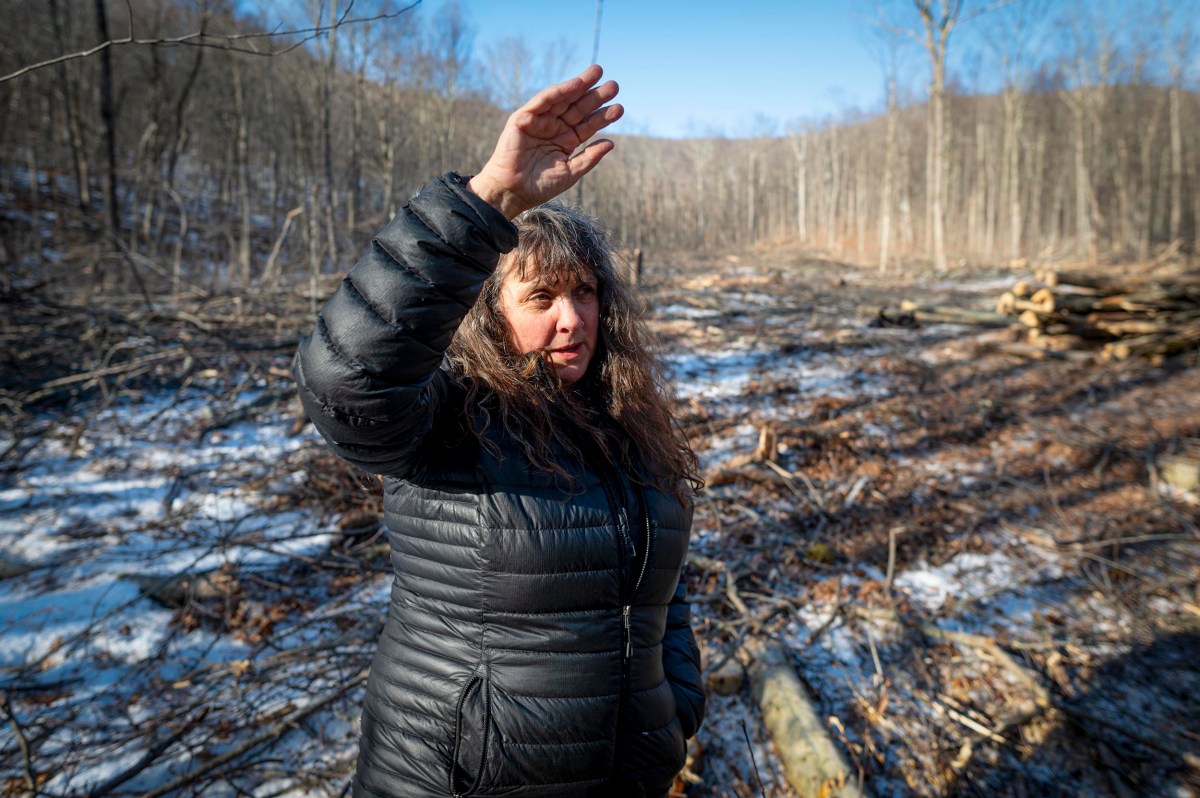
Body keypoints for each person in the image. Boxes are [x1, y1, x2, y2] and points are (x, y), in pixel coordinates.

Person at [296, 65, 704, 798]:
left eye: (584, 292)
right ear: (489, 313)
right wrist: (491, 202)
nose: (572, 318)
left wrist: (674, 704)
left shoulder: (625, 424)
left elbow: (662, 590)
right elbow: (345, 380)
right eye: (541, 296)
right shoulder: (450, 418)